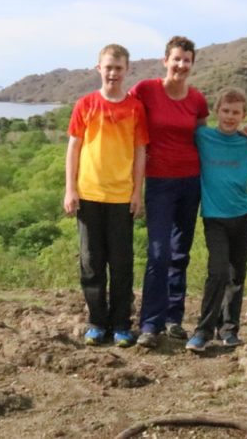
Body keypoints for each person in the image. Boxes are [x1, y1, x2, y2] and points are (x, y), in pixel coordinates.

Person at [63, 44, 148, 347]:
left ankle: (122, 324)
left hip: (121, 196)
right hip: (88, 194)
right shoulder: (85, 104)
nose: (113, 73)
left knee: (122, 263)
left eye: (119, 68)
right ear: (99, 68)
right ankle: (97, 322)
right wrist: (70, 188)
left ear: (127, 70)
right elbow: (74, 147)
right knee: (91, 262)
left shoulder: (136, 107)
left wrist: (137, 192)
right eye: (108, 67)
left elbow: (140, 152)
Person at [130, 36, 210, 348]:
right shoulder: (145, 90)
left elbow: (205, 138)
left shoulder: (197, 100)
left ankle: (174, 319)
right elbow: (129, 122)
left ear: (192, 63)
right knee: (159, 253)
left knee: (180, 253)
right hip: (159, 182)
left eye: (187, 60)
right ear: (166, 60)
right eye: (176, 59)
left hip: (191, 181)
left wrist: (243, 136)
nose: (181, 65)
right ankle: (150, 323)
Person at [185, 87, 247, 352]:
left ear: (244, 115)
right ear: (216, 111)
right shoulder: (203, 136)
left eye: (236, 112)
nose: (230, 117)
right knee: (218, 271)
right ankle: (202, 331)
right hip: (214, 217)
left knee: (237, 275)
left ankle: (229, 330)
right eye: (225, 111)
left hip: (242, 216)